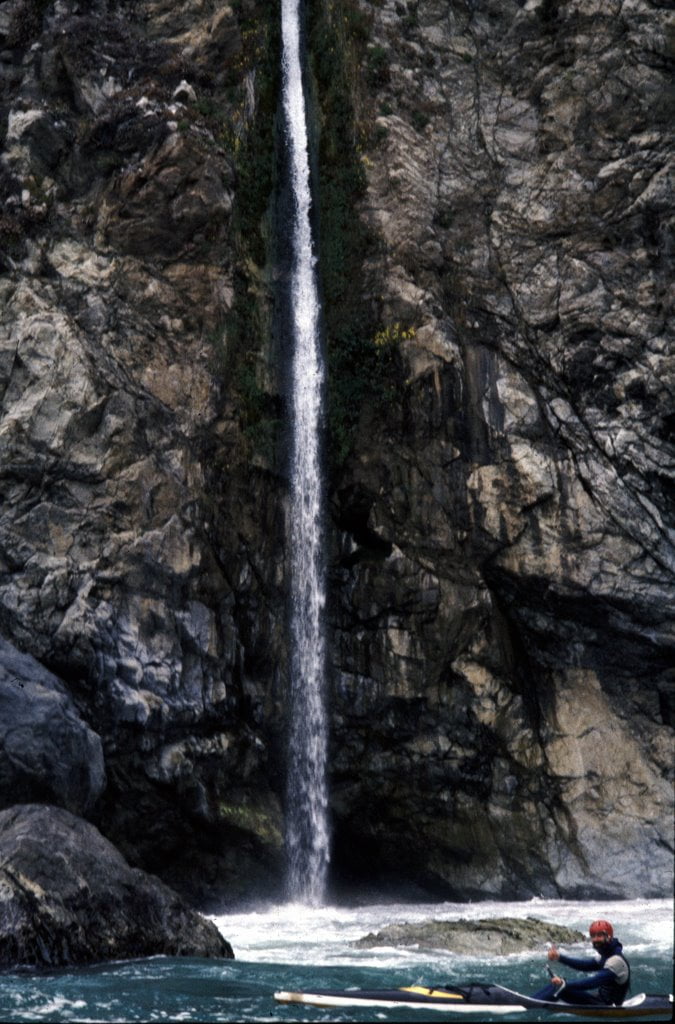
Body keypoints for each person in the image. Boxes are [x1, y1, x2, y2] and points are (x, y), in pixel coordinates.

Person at [532, 919, 631, 1006]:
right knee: (556, 986)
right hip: (599, 1000)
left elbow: (593, 982)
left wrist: (564, 984)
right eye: (593, 936)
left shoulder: (616, 961)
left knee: (559, 987)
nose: (596, 939)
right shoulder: (606, 956)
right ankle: (531, 1001)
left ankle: (528, 1004)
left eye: (600, 935)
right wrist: (559, 957)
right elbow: (584, 965)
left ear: (609, 937)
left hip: (607, 1005)